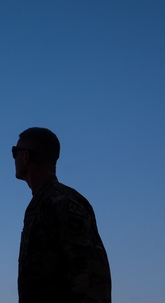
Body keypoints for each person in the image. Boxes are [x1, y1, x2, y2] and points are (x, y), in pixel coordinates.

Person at [12, 127, 111, 303]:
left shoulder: (60, 202)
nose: (14, 158)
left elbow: (89, 274)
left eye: (15, 152)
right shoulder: (45, 202)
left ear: (26, 156)